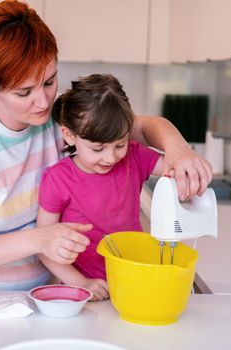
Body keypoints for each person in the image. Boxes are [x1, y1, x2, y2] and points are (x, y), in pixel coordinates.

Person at [0, 0, 212, 292]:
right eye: (24, 91)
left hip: (48, 294)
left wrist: (178, 149)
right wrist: (39, 239)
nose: (42, 101)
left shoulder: (60, 117)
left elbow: (141, 128)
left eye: (49, 82)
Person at [37, 74, 166, 301]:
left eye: (120, 144)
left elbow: (173, 168)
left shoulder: (135, 157)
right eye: (98, 149)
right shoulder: (57, 179)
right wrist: (82, 283)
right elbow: (43, 246)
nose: (111, 157)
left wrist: (185, 159)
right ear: (69, 135)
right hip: (83, 290)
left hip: (132, 279)